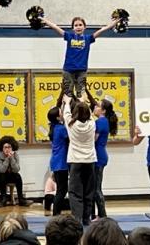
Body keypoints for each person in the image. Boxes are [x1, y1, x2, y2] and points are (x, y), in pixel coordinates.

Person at [40, 15, 116, 98]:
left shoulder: (88, 38)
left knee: (81, 95)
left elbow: (102, 30)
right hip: (68, 70)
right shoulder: (69, 36)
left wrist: (115, 22)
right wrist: (44, 20)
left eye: (80, 25)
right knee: (68, 94)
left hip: (81, 70)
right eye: (76, 25)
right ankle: (66, 110)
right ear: (73, 28)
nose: (78, 27)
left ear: (84, 27)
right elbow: (55, 27)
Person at [62, 94, 96, 225]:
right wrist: (83, 101)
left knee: (75, 192)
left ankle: (77, 219)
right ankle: (86, 218)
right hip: (90, 161)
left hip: (75, 161)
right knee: (88, 191)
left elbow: (66, 114)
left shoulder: (72, 125)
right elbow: (90, 114)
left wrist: (67, 102)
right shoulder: (92, 124)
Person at [92, 98, 118, 220]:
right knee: (95, 187)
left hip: (98, 156)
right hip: (100, 154)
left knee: (96, 188)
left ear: (103, 110)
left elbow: (93, 140)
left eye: (97, 106)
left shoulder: (101, 122)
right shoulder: (102, 121)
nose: (95, 107)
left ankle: (103, 215)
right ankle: (99, 214)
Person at [0, 135, 33, 207]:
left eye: (9, 147)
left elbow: (17, 169)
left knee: (18, 176)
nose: (7, 149)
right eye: (5, 147)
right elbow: (1, 170)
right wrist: (7, 159)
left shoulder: (15, 154)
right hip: (1, 176)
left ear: (12, 148)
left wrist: (11, 158)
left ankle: (21, 199)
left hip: (11, 174)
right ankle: (3, 199)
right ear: (2, 148)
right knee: (2, 176)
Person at [47, 105, 69, 215]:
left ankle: (56, 213)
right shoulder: (61, 128)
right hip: (61, 162)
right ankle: (56, 214)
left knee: (61, 189)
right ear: (57, 117)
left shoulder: (55, 127)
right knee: (62, 190)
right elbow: (70, 138)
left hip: (56, 161)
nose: (63, 114)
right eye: (61, 112)